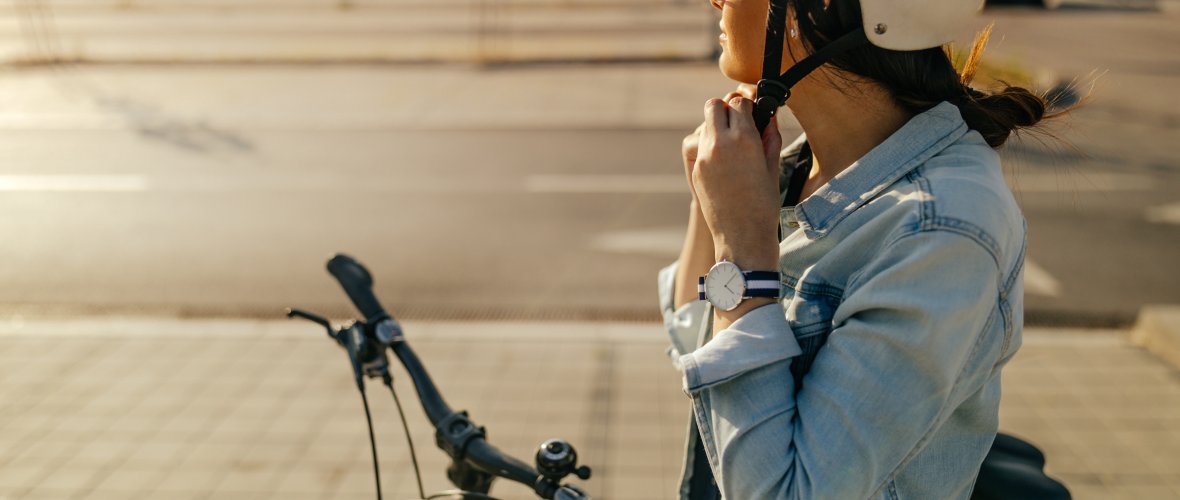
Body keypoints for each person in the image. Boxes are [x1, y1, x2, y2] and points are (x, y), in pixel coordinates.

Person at [656, 0, 1062, 498]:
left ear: (819, 8)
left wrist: (741, 248)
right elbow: (693, 346)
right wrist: (712, 201)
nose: (714, 0)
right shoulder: (804, 167)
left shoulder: (938, 231)